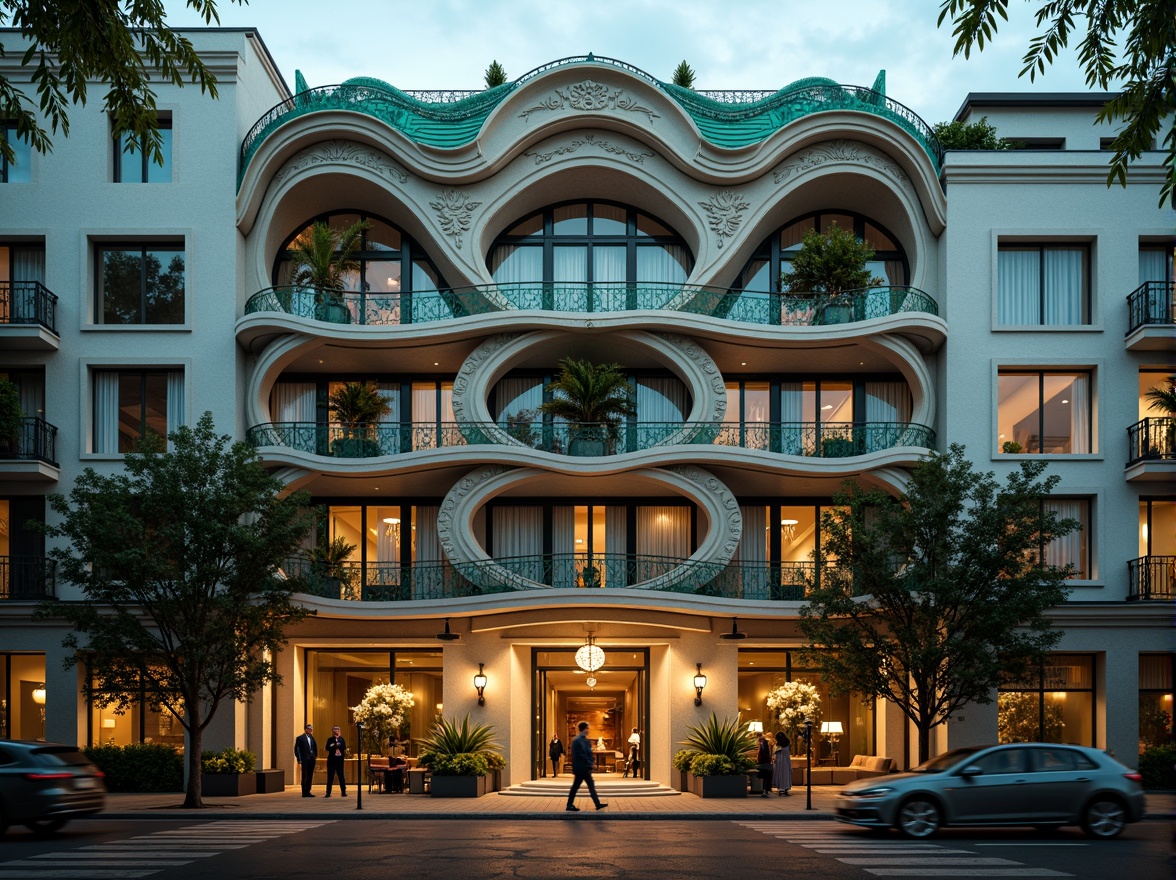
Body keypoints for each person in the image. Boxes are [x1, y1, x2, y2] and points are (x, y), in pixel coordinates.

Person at [565, 720, 608, 812]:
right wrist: (588, 762)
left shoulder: (583, 740)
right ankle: (596, 804)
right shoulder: (578, 741)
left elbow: (587, 753)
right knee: (580, 786)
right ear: (584, 729)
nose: (588, 730)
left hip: (584, 768)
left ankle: (597, 804)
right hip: (581, 768)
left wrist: (590, 762)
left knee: (583, 786)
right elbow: (581, 755)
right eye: (587, 728)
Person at [294, 723, 318, 797]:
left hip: (311, 759)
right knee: (305, 775)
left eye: (311, 729)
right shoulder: (300, 738)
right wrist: (299, 759)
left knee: (310, 775)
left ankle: (308, 791)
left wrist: (315, 756)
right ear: (306, 729)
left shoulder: (312, 738)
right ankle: (304, 792)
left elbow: (314, 747)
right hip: (304, 759)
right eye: (309, 729)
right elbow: (297, 749)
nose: (310, 731)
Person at [324, 725, 347, 797]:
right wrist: (333, 745)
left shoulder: (342, 739)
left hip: (339, 760)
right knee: (330, 777)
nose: (336, 732)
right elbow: (327, 748)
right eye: (335, 731)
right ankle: (328, 792)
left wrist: (339, 744)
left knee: (341, 776)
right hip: (332, 760)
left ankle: (343, 792)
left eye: (338, 731)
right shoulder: (330, 740)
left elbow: (344, 748)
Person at [772, 730, 792, 796]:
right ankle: (786, 788)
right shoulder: (787, 743)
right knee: (786, 775)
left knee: (780, 775)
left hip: (780, 762)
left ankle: (781, 789)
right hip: (787, 761)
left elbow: (774, 753)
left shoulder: (778, 745)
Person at [756, 730, 772, 797]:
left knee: (766, 777)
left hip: (765, 762)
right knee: (766, 777)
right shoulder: (763, 742)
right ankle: (765, 791)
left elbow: (765, 753)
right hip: (765, 762)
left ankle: (765, 791)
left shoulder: (764, 742)